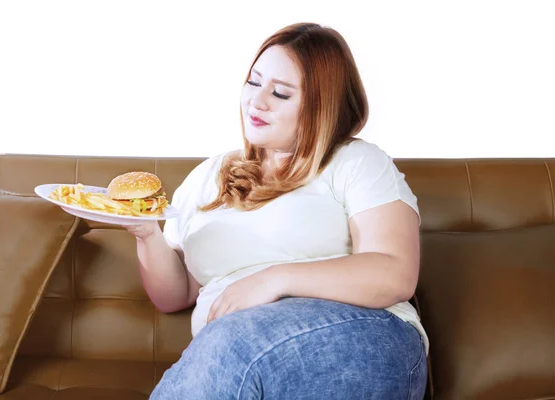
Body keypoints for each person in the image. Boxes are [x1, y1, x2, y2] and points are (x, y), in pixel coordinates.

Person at [125, 22, 429, 400]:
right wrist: (146, 233)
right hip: (240, 356)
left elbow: (394, 272)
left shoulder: (357, 162)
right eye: (254, 82)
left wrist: (273, 279)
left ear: (322, 106)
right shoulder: (209, 175)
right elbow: (177, 294)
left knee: (231, 343)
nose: (257, 101)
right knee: (230, 345)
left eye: (280, 93)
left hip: (368, 337)